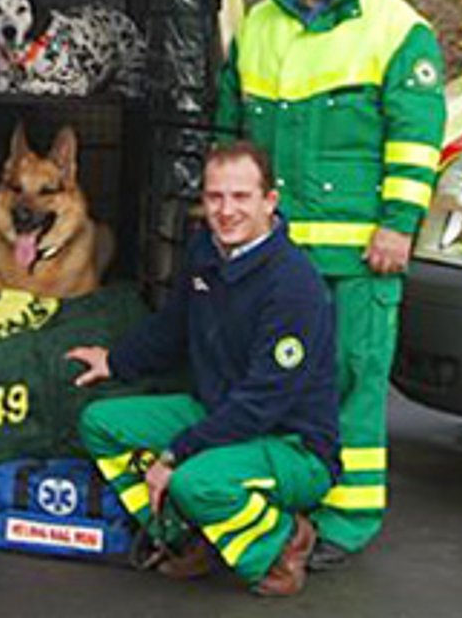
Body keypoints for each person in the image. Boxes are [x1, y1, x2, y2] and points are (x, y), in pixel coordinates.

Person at [215, 0, 447, 569]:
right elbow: (233, 130)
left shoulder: (397, 29)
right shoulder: (259, 23)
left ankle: (347, 521)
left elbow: (416, 140)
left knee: (353, 382)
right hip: (274, 258)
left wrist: (399, 225)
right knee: (270, 381)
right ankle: (288, 504)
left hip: (359, 260)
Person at [69, 142, 339, 597]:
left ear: (269, 201)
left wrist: (176, 454)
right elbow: (174, 326)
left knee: (197, 481)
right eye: (215, 197)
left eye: (241, 197)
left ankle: (283, 543)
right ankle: (190, 538)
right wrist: (114, 360)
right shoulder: (204, 251)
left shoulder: (294, 285)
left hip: (290, 444)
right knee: (101, 424)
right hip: (219, 415)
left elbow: (261, 403)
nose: (226, 211)